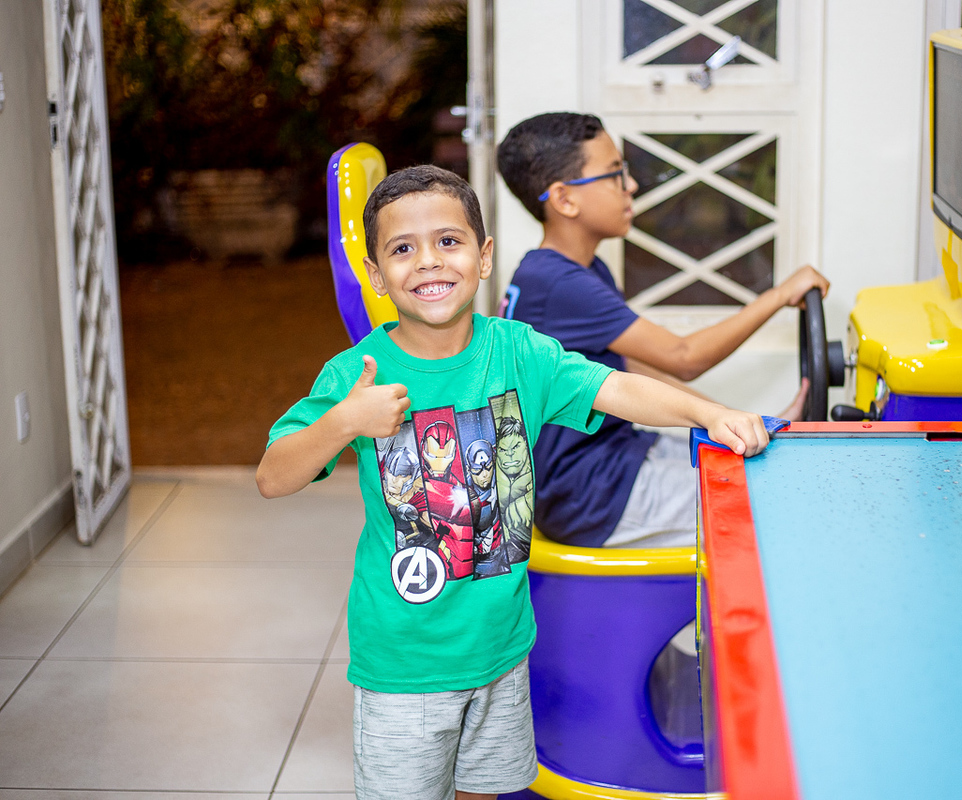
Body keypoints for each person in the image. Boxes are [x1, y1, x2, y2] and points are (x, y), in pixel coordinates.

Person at [256, 165, 769, 800]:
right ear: (375, 274)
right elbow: (273, 477)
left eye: (448, 241)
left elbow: (617, 389)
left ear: (484, 255)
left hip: (502, 652)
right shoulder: (357, 372)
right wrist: (343, 421)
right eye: (402, 248)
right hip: (404, 666)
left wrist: (707, 412)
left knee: (485, 791)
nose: (428, 262)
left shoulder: (519, 352)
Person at [496, 112, 831, 549]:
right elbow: (684, 357)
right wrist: (780, 294)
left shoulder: (570, 269)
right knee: (781, 503)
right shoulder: (559, 283)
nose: (631, 186)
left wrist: (739, 422)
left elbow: (633, 364)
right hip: (593, 493)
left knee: (763, 467)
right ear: (564, 199)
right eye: (615, 174)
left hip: (616, 458)